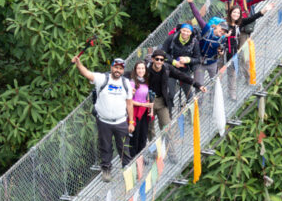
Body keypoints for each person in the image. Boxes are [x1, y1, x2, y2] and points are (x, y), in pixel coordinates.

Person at [72, 55, 134, 183]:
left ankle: (127, 169)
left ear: (123, 71)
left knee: (124, 146)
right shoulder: (102, 78)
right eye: (116, 67)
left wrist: (131, 121)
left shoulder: (126, 83)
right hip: (104, 121)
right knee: (105, 146)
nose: (118, 70)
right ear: (111, 67)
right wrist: (78, 64)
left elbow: (129, 103)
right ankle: (106, 170)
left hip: (121, 121)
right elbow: (88, 74)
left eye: (121, 69)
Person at [146, 48, 206, 142]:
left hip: (162, 101)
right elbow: (134, 77)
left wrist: (198, 85)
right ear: (153, 59)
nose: (159, 61)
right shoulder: (146, 70)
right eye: (157, 59)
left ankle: (171, 154)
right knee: (150, 129)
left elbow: (181, 76)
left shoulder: (166, 68)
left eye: (161, 60)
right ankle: (155, 154)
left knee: (166, 127)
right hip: (148, 102)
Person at [185, 0, 226, 84]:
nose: (222, 32)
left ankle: (213, 98)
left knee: (216, 84)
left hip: (213, 63)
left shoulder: (223, 38)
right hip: (200, 63)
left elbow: (221, 50)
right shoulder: (207, 29)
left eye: (224, 31)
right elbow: (198, 17)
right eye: (222, 29)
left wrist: (221, 52)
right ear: (216, 26)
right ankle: (198, 99)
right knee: (198, 86)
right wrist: (191, 2)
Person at [162, 23, 201, 101]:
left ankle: (190, 112)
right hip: (171, 69)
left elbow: (197, 59)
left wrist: (188, 60)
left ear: (191, 33)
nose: (185, 33)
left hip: (184, 69)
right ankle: (169, 112)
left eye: (188, 32)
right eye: (184, 30)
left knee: (189, 95)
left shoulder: (194, 42)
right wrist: (174, 62)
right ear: (180, 30)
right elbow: (162, 53)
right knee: (170, 94)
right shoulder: (171, 38)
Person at [127, 60, 154, 157]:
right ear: (135, 70)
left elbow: (149, 98)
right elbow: (129, 101)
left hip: (144, 113)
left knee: (143, 135)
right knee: (135, 136)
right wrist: (143, 105)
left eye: (143, 68)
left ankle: (140, 157)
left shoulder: (146, 82)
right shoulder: (132, 82)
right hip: (134, 112)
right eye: (139, 68)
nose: (141, 70)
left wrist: (151, 109)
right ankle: (133, 158)